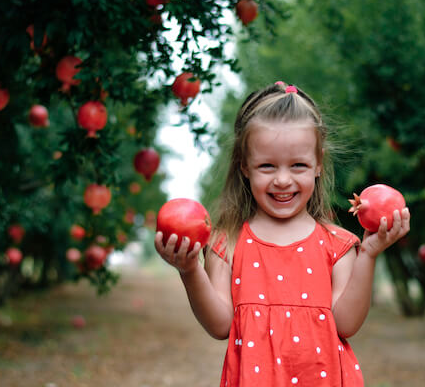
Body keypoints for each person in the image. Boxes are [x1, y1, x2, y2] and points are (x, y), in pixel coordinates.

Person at [154, 82, 411, 386]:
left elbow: (346, 323)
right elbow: (220, 325)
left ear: (318, 165)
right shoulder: (229, 242)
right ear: (245, 167)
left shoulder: (337, 244)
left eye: (298, 165)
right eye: (267, 166)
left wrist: (368, 255)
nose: (283, 179)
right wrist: (190, 271)